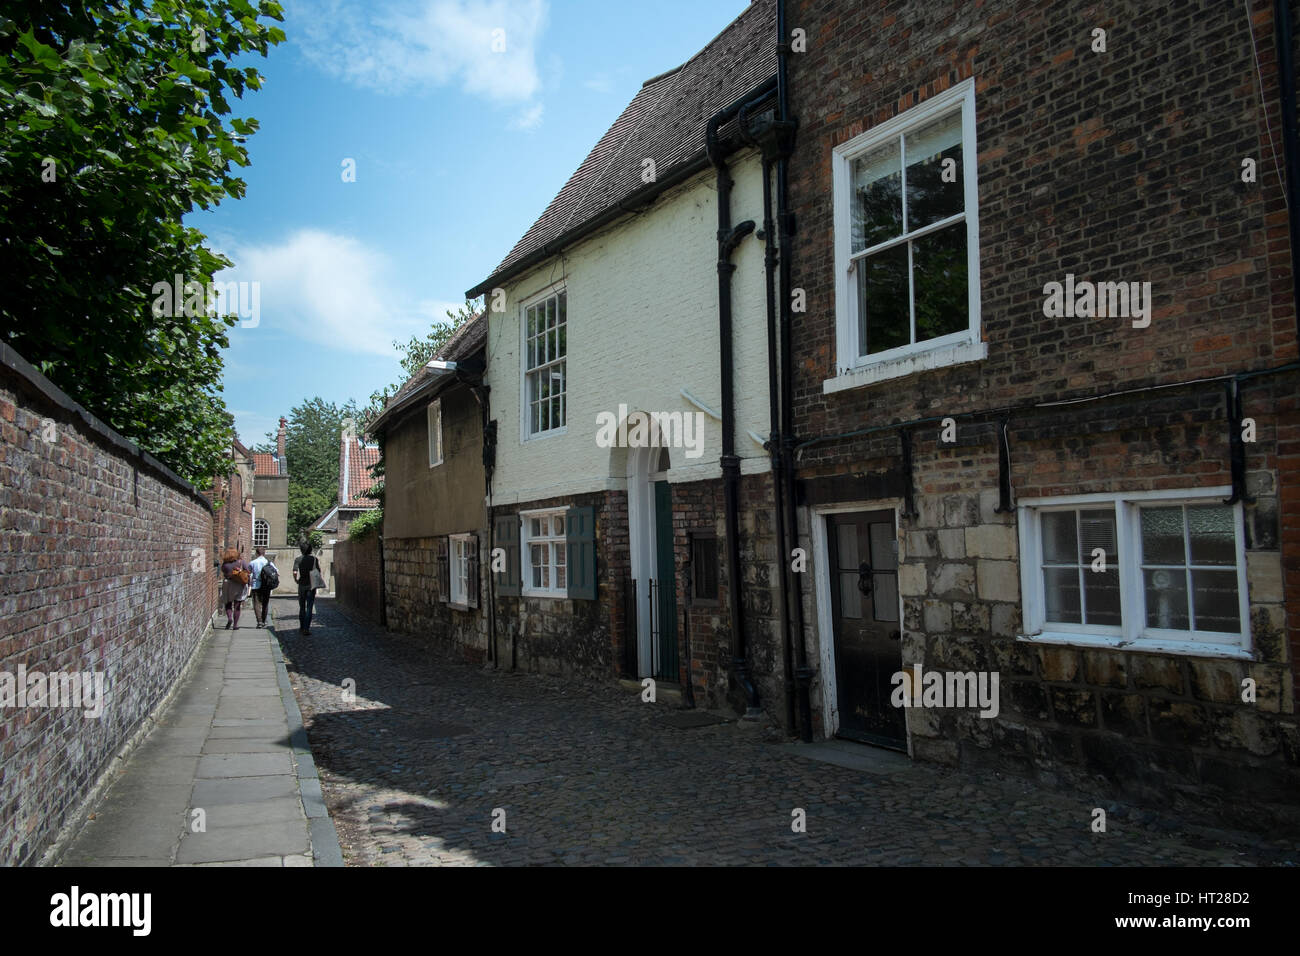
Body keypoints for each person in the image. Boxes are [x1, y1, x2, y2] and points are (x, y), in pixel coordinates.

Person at [292, 541, 321, 635]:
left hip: (302, 584)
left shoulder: (298, 559)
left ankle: (301, 627)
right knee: (309, 607)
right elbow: (318, 571)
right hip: (311, 585)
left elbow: (295, 572)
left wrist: (296, 580)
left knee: (302, 607)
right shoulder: (314, 559)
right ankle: (306, 628)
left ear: (301, 550)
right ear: (310, 550)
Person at [220, 546, 252, 629]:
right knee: (237, 605)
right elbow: (248, 572)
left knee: (228, 603)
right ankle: (235, 625)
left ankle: (230, 618)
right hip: (239, 585)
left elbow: (223, 572)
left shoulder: (225, 564)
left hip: (228, 584)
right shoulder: (241, 562)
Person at [249, 546, 274, 627]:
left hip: (256, 585)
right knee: (265, 603)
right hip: (266, 585)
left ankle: (259, 621)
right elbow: (276, 572)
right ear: (264, 553)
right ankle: (264, 621)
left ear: (256, 553)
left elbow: (248, 573)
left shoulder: (253, 562)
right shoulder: (268, 562)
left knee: (256, 604)